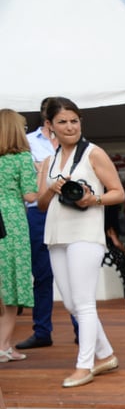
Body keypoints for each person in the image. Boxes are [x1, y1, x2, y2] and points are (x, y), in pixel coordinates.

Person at [35, 97, 124, 388]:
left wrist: (91, 199)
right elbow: (42, 205)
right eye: (62, 121)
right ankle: (106, 354)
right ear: (49, 126)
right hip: (56, 235)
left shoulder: (93, 153)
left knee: (84, 303)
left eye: (74, 120)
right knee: (72, 304)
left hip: (85, 232)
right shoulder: (48, 161)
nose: (70, 126)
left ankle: (84, 366)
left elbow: (118, 192)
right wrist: (53, 187)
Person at [15, 97, 60, 351]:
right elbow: (26, 175)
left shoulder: (73, 145)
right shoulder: (28, 142)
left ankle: (81, 330)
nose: (64, 124)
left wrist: (41, 169)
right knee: (42, 275)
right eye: (58, 119)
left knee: (71, 273)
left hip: (67, 210)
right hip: (37, 212)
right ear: (47, 120)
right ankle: (42, 331)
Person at [0, 109, 38, 363]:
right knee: (12, 283)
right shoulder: (22, 158)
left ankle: (7, 345)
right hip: (12, 220)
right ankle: (3, 345)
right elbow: (31, 196)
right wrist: (41, 171)